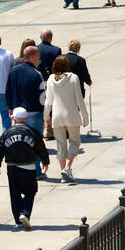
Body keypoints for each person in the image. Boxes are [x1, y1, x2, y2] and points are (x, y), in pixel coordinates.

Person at [0, 107, 49, 228]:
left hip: (12, 168)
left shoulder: (7, 133)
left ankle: (18, 220)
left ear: (15, 119)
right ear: (26, 119)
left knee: (15, 193)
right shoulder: (32, 132)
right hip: (28, 167)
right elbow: (41, 147)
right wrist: (45, 161)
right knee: (31, 191)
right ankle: (25, 213)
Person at [44, 55, 88, 183]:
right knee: (74, 141)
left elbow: (48, 101)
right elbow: (79, 99)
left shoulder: (51, 79)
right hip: (71, 115)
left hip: (57, 116)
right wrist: (85, 117)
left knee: (61, 144)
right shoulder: (73, 78)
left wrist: (46, 116)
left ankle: (63, 171)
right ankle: (67, 168)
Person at [5, 45, 46, 174]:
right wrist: (44, 112)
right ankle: (36, 172)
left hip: (18, 113)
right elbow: (42, 97)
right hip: (34, 113)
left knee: (20, 143)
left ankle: (21, 170)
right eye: (38, 57)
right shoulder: (36, 74)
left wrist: (11, 107)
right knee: (36, 143)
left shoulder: (14, 71)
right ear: (32, 57)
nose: (39, 60)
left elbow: (8, 91)